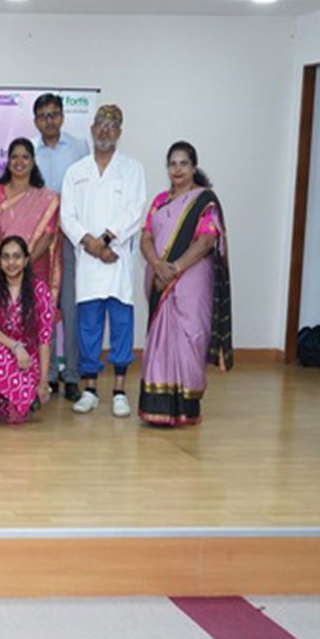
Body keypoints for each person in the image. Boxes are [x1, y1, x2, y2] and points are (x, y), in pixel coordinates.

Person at [59, 104, 147, 417]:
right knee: (88, 328)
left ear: (120, 133)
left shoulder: (132, 169)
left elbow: (135, 211)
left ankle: (120, 390)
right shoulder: (76, 171)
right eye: (100, 125)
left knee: (122, 326)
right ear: (92, 129)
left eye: (112, 126)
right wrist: (92, 245)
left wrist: (107, 240)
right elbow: (66, 216)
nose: (105, 131)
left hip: (118, 259)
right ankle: (91, 389)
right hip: (88, 260)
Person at [137, 142, 234, 426]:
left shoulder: (204, 201)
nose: (177, 169)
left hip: (192, 279)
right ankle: (157, 408)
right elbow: (145, 238)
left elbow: (206, 241)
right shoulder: (159, 201)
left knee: (192, 336)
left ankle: (187, 409)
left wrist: (175, 268)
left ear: (194, 167)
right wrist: (157, 265)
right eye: (172, 164)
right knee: (160, 340)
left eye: (183, 164)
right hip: (160, 277)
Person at [30, 93, 91, 400]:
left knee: (70, 306)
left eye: (54, 114)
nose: (49, 120)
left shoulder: (79, 147)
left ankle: (72, 374)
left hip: (70, 236)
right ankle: (49, 372)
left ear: (63, 117)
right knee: (44, 306)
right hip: (41, 240)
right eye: (43, 116)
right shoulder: (31, 152)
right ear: (36, 121)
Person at [0, 235, 57, 427]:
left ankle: (22, 399)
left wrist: (43, 382)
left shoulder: (40, 290)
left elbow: (45, 338)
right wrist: (16, 347)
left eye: (17, 257)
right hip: (0, 355)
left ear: (26, 260)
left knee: (15, 418)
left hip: (28, 361)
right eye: (6, 257)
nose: (11, 263)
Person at [0, 138, 60, 301]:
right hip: (2, 268)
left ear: (33, 162)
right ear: (8, 161)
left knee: (34, 316)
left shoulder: (47, 198)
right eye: (14, 157)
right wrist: (9, 260)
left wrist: (25, 262)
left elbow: (47, 236)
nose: (19, 162)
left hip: (35, 265)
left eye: (25, 157)